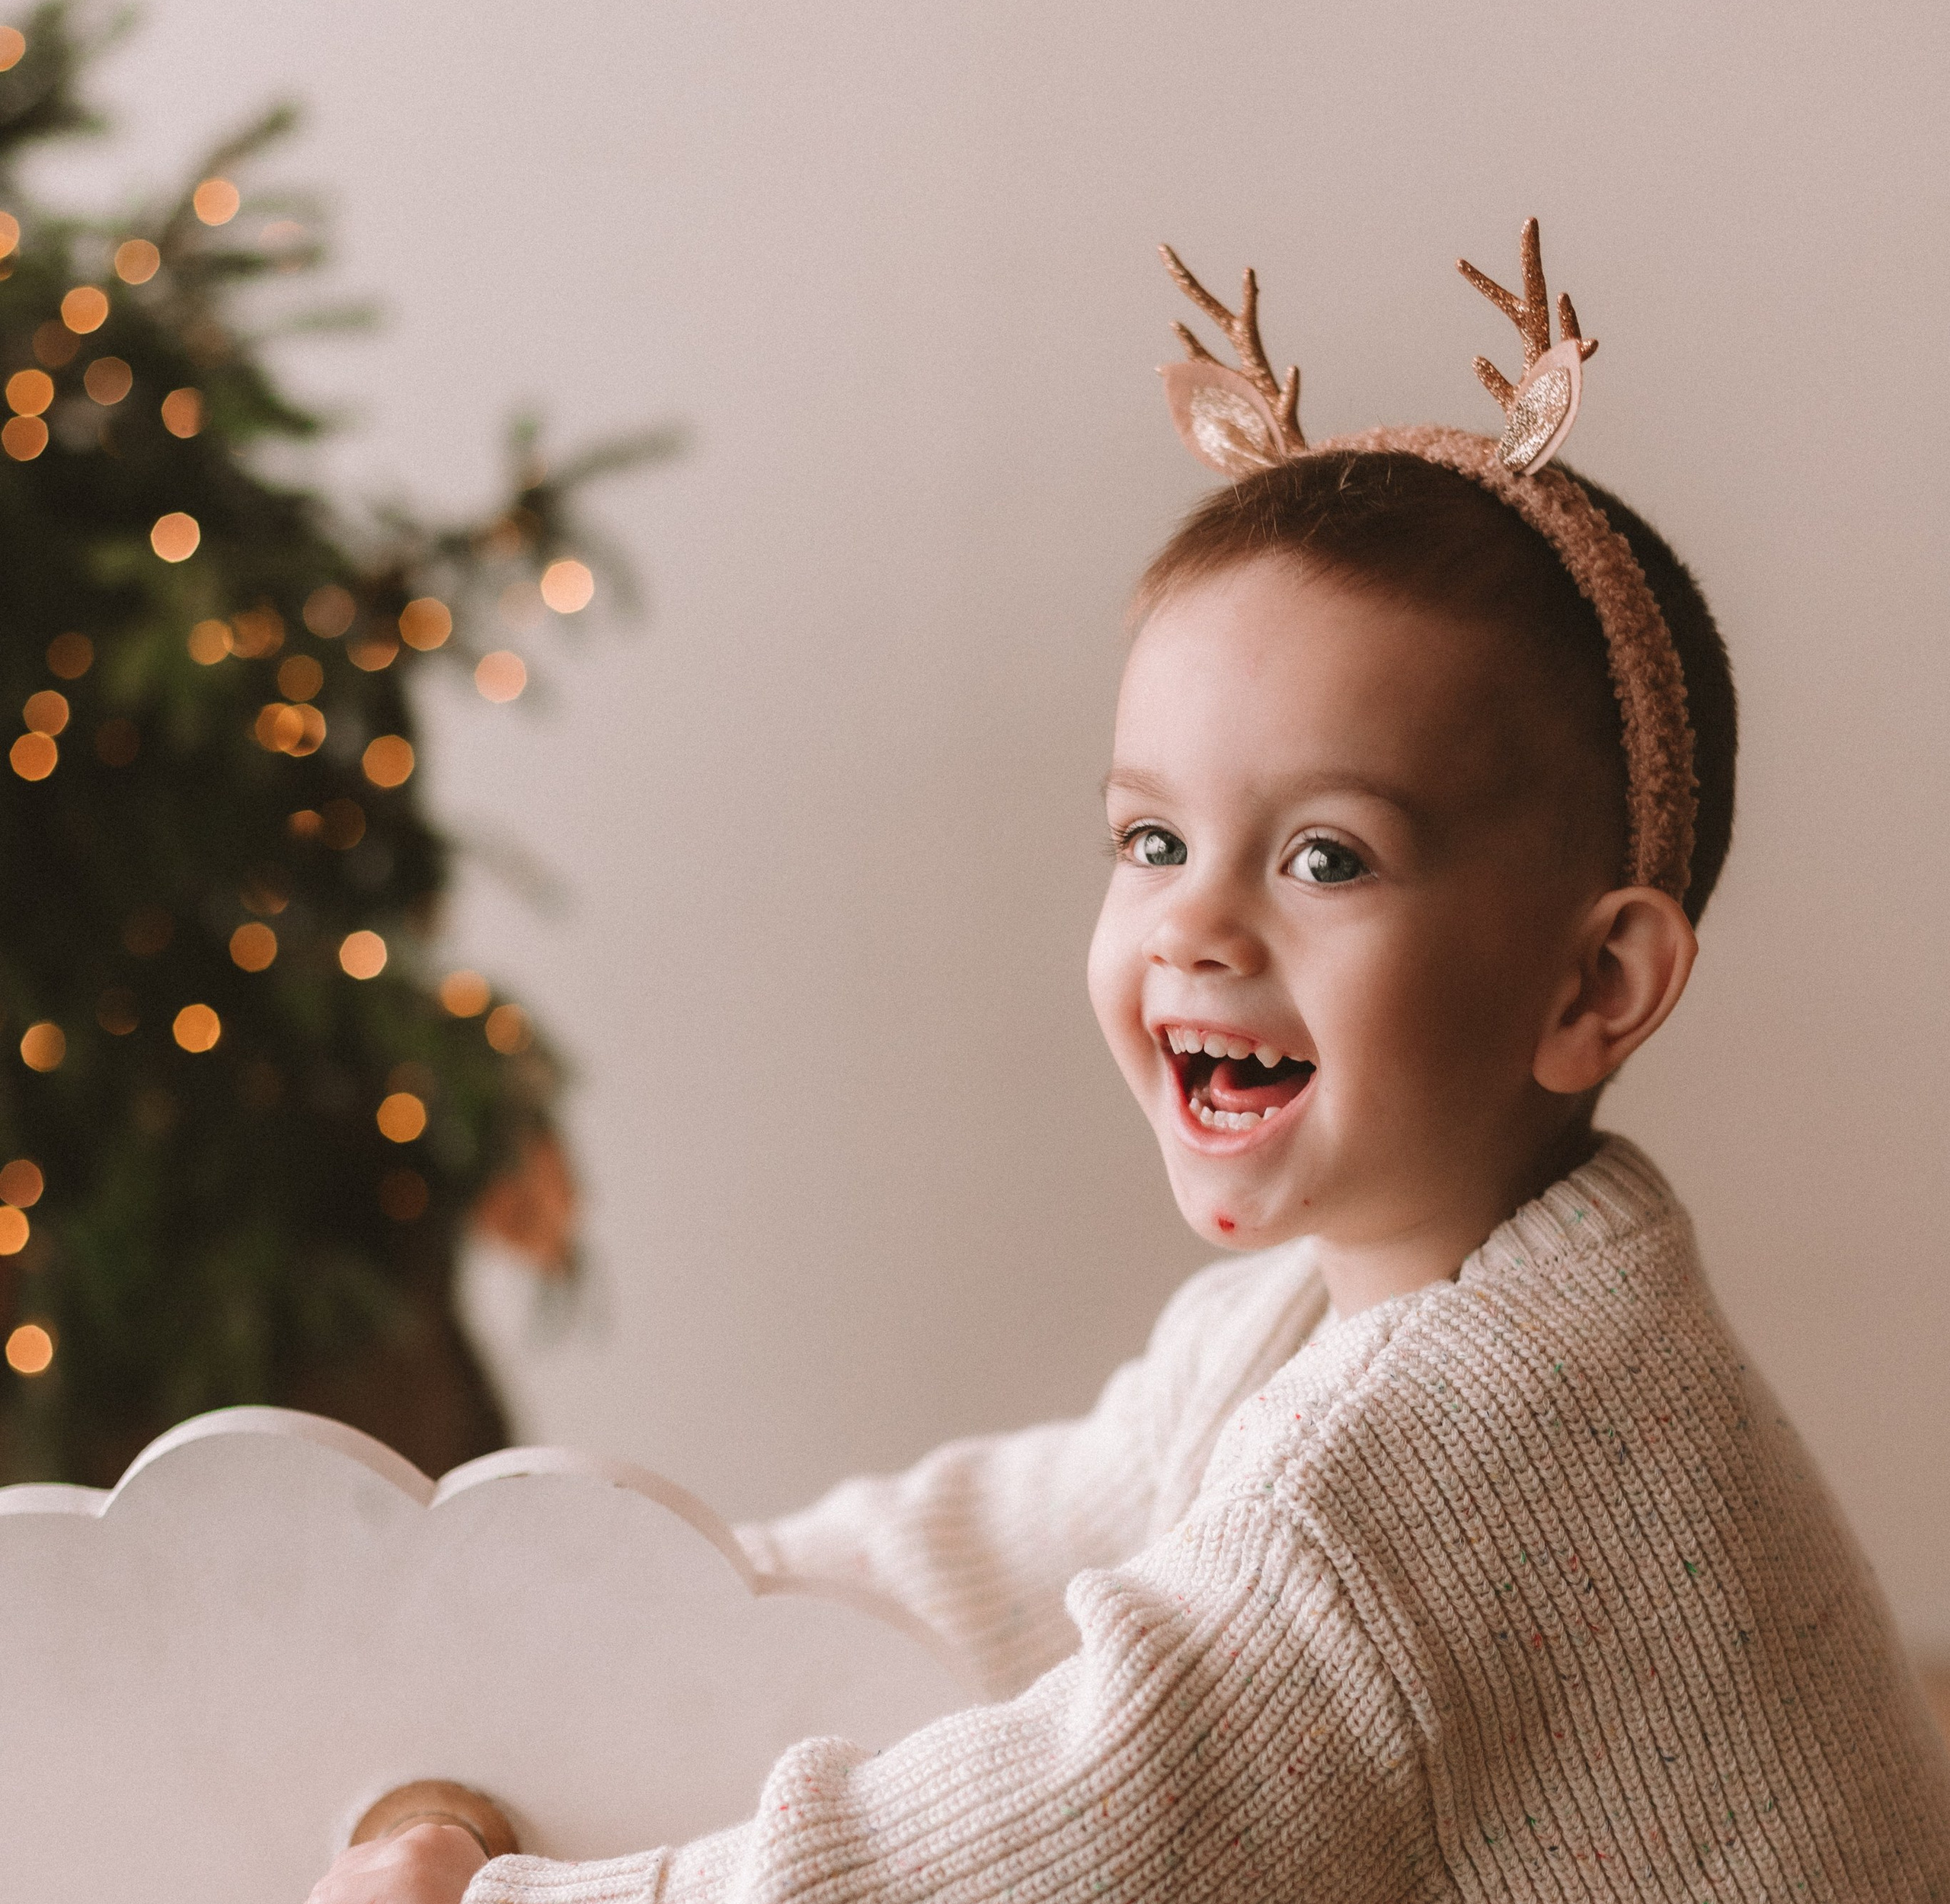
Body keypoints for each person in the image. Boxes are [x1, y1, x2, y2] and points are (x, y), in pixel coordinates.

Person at [311, 222, 1950, 1902]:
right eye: (1152, 840)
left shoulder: (1460, 1465)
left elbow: (1047, 1848)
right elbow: (980, 1555)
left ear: (1593, 982)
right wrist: (610, 1609)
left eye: (1324, 858)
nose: (1195, 928)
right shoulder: (1308, 1324)